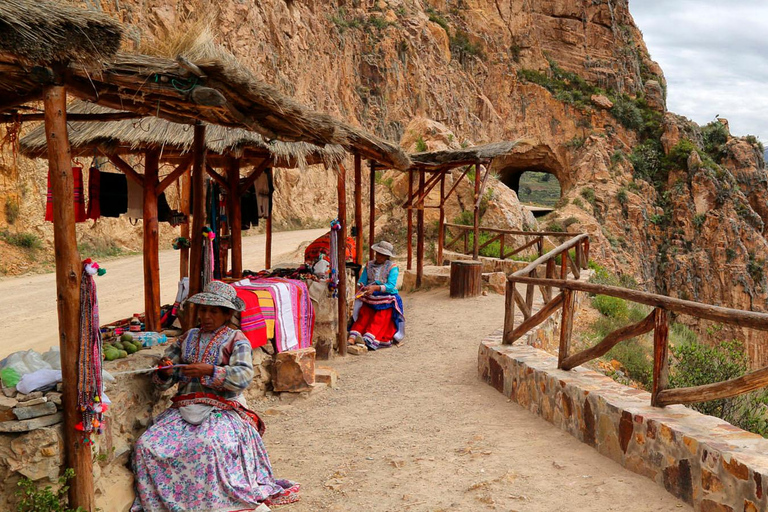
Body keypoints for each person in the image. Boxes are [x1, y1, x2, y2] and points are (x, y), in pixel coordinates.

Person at [131, 280, 299, 512]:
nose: (207, 316)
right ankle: (169, 502)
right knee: (146, 445)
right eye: (203, 310)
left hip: (222, 410)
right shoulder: (187, 338)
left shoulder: (236, 339)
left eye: (214, 311)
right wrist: (167, 370)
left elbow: (243, 377)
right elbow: (163, 380)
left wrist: (211, 371)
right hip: (183, 409)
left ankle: (212, 503)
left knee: (208, 445)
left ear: (227, 314)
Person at [348, 240, 405, 350]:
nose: (379, 256)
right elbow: (362, 280)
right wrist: (362, 286)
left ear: (387, 256)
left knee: (381, 317)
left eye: (382, 255)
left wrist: (375, 287)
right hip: (370, 296)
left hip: (386, 298)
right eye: (378, 253)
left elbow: (391, 285)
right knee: (364, 314)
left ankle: (369, 338)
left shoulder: (392, 267)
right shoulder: (369, 265)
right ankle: (353, 336)